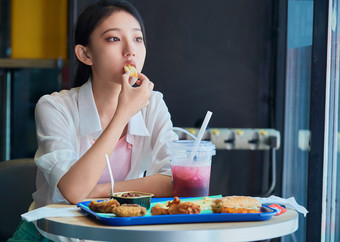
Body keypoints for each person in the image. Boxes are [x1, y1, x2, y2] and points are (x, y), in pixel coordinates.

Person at [9, 0, 177, 241]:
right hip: (52, 237)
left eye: (138, 39)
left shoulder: (154, 104)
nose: (130, 50)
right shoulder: (54, 107)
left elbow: (175, 180)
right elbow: (75, 191)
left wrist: (96, 192)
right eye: (113, 39)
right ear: (85, 54)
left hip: (117, 235)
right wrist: (123, 114)